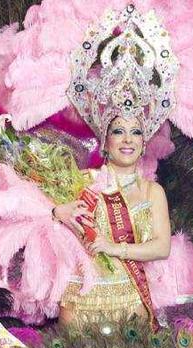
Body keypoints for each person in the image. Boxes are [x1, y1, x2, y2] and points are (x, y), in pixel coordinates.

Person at [52, 114, 172, 326]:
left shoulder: (152, 191)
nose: (128, 139)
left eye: (136, 132)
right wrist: (56, 212)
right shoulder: (82, 181)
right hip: (80, 301)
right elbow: (34, 218)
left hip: (130, 300)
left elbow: (162, 247)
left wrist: (114, 248)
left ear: (143, 143)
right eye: (118, 131)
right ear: (105, 141)